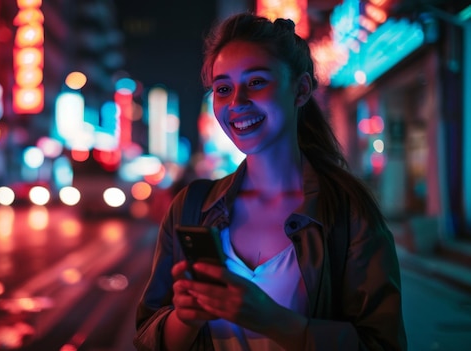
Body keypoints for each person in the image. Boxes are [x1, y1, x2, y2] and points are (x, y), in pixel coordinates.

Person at [133, 12, 406, 351]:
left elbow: (383, 344)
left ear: (301, 89)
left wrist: (269, 318)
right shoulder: (191, 206)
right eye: (223, 89)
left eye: (257, 82)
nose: (237, 103)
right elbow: (149, 337)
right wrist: (186, 318)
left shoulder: (347, 211)